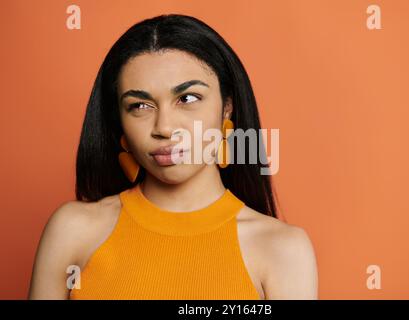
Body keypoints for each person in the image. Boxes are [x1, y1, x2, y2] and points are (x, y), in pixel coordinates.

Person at [28, 14, 318, 300]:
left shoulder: (282, 250)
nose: (164, 128)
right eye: (140, 105)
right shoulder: (73, 231)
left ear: (226, 107)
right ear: (120, 121)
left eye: (187, 98)